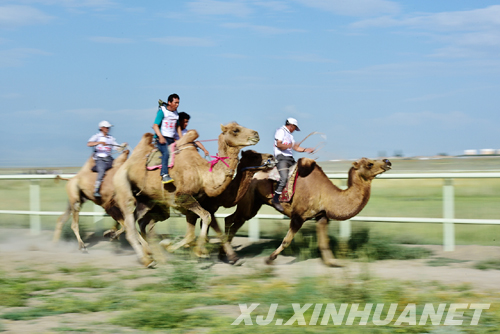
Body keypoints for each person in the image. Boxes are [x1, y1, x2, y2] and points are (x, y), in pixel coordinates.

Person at [272, 117, 314, 212]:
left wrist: (306, 150)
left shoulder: (290, 136)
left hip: (290, 159)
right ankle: (275, 199)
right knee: (284, 178)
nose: (295, 130)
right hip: (281, 158)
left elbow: (295, 148)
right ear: (291, 126)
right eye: (295, 128)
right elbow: (279, 145)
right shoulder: (280, 131)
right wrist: (290, 146)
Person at [87, 120, 125, 197]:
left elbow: (116, 147)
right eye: (106, 127)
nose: (108, 129)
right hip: (99, 158)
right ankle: (96, 190)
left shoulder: (110, 138)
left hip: (109, 158)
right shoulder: (97, 136)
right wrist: (99, 142)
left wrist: (122, 146)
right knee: (101, 170)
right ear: (101, 128)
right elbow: (89, 144)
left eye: (108, 127)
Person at [152, 93, 180, 184]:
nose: (177, 104)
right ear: (169, 102)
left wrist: (182, 139)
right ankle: (164, 175)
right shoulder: (162, 112)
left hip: (171, 139)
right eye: (175, 102)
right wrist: (160, 136)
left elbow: (178, 127)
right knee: (166, 153)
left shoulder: (176, 114)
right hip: (162, 139)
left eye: (178, 103)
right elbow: (155, 125)